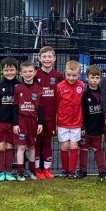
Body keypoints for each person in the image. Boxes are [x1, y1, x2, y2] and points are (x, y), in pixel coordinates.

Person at [13, 60, 44, 181]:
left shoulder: (38, 88)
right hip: (21, 120)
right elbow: (14, 107)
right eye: (25, 72)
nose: (28, 73)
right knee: (21, 147)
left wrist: (40, 122)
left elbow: (41, 108)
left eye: (30, 71)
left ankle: (32, 171)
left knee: (32, 146)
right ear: (21, 73)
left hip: (33, 121)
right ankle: (20, 172)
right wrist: (15, 123)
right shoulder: (18, 88)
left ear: (35, 72)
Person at [34, 46, 62, 178]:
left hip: (51, 115)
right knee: (36, 142)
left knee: (47, 142)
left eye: (49, 56)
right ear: (39, 58)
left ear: (54, 59)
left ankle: (47, 169)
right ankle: (37, 169)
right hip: (36, 116)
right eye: (44, 57)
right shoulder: (34, 74)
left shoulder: (58, 76)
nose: (47, 59)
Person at [55, 60, 85, 178]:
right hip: (63, 122)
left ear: (79, 75)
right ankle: (65, 170)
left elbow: (83, 104)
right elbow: (57, 104)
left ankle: (72, 171)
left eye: (74, 75)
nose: (71, 78)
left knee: (74, 146)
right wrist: (56, 121)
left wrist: (83, 123)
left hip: (76, 122)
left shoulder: (82, 86)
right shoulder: (60, 87)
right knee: (65, 146)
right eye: (68, 75)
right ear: (64, 73)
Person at [0, 58, 20, 181]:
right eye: (6, 70)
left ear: (17, 70)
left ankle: (8, 172)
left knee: (10, 146)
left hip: (13, 122)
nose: (9, 72)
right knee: (0, 146)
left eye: (12, 69)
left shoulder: (20, 85)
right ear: (2, 71)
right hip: (0, 121)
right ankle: (0, 172)